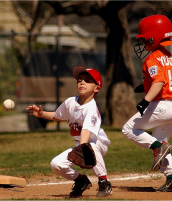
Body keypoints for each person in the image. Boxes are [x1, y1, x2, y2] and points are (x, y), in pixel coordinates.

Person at [26, 66, 113, 198]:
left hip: (98, 143)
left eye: (87, 80)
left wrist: (82, 148)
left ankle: (104, 182)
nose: (82, 82)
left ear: (96, 88)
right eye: (80, 80)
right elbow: (57, 115)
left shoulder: (92, 109)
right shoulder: (70, 102)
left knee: (91, 146)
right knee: (56, 164)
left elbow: (86, 131)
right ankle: (81, 181)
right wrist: (41, 114)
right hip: (81, 144)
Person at [122, 14, 172, 192]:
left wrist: (145, 100)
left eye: (144, 39)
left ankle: (159, 147)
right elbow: (165, 80)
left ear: (154, 38)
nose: (142, 43)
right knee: (159, 141)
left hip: (161, 106)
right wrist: (145, 87)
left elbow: (159, 82)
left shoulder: (152, 58)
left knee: (128, 129)